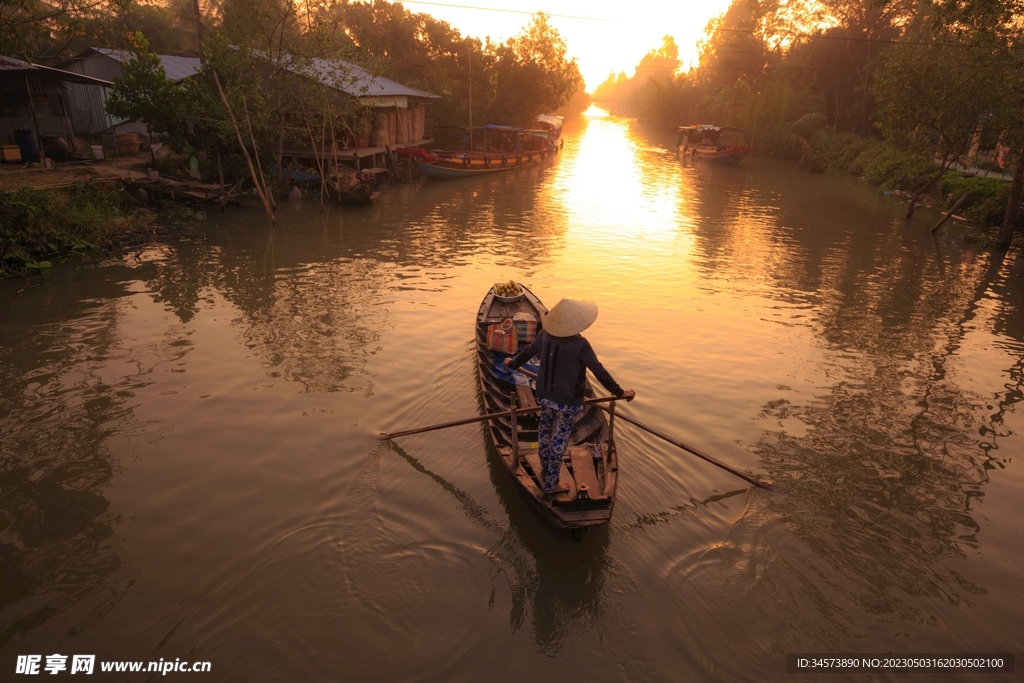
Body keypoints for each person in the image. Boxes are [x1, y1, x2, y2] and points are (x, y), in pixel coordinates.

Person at [504, 299, 635, 496]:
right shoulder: (580, 344)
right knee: (559, 439)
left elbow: (526, 353)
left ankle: (546, 465)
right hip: (568, 402)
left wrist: (511, 363)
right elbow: (599, 372)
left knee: (545, 429)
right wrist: (619, 392)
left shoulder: (543, 335)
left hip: (545, 396)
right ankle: (551, 485)